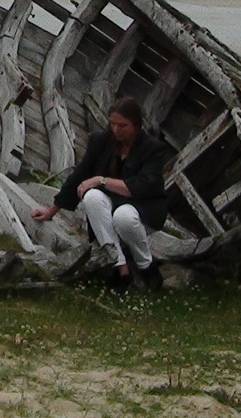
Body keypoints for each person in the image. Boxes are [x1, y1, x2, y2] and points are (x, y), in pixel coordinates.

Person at [30, 96, 171, 291]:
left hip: (143, 207)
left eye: (123, 126)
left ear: (137, 125)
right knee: (91, 197)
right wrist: (51, 211)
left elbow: (141, 186)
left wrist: (101, 180)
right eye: (113, 124)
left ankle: (145, 264)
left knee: (123, 217)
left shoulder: (153, 149)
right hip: (111, 203)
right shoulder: (101, 141)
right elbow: (79, 175)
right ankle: (119, 266)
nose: (116, 130)